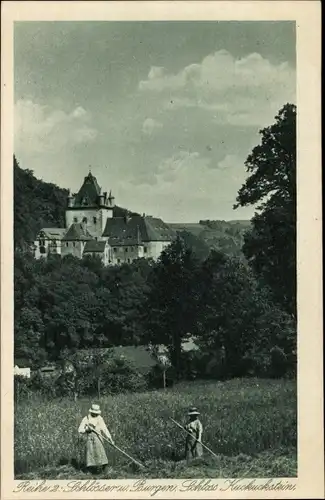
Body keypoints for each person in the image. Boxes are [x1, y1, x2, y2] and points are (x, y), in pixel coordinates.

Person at [78, 403, 114, 474]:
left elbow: (104, 429)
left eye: (96, 413)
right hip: (89, 439)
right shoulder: (86, 419)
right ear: (91, 412)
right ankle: (90, 471)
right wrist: (86, 429)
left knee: (101, 453)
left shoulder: (100, 419)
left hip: (98, 438)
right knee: (90, 454)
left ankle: (104, 469)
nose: (95, 414)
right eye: (94, 413)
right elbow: (80, 429)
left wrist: (110, 438)